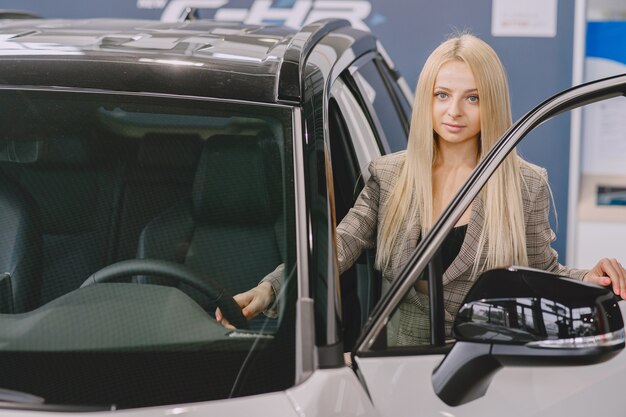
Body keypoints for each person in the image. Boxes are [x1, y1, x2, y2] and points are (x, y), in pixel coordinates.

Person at [216, 33, 626, 345]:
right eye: (442, 95)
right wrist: (270, 288)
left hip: (492, 359)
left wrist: (588, 277)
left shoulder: (524, 183)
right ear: (426, 99)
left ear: (493, 104)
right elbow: (337, 247)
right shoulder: (390, 175)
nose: (454, 111)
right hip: (399, 361)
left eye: (473, 98)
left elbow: (543, 272)